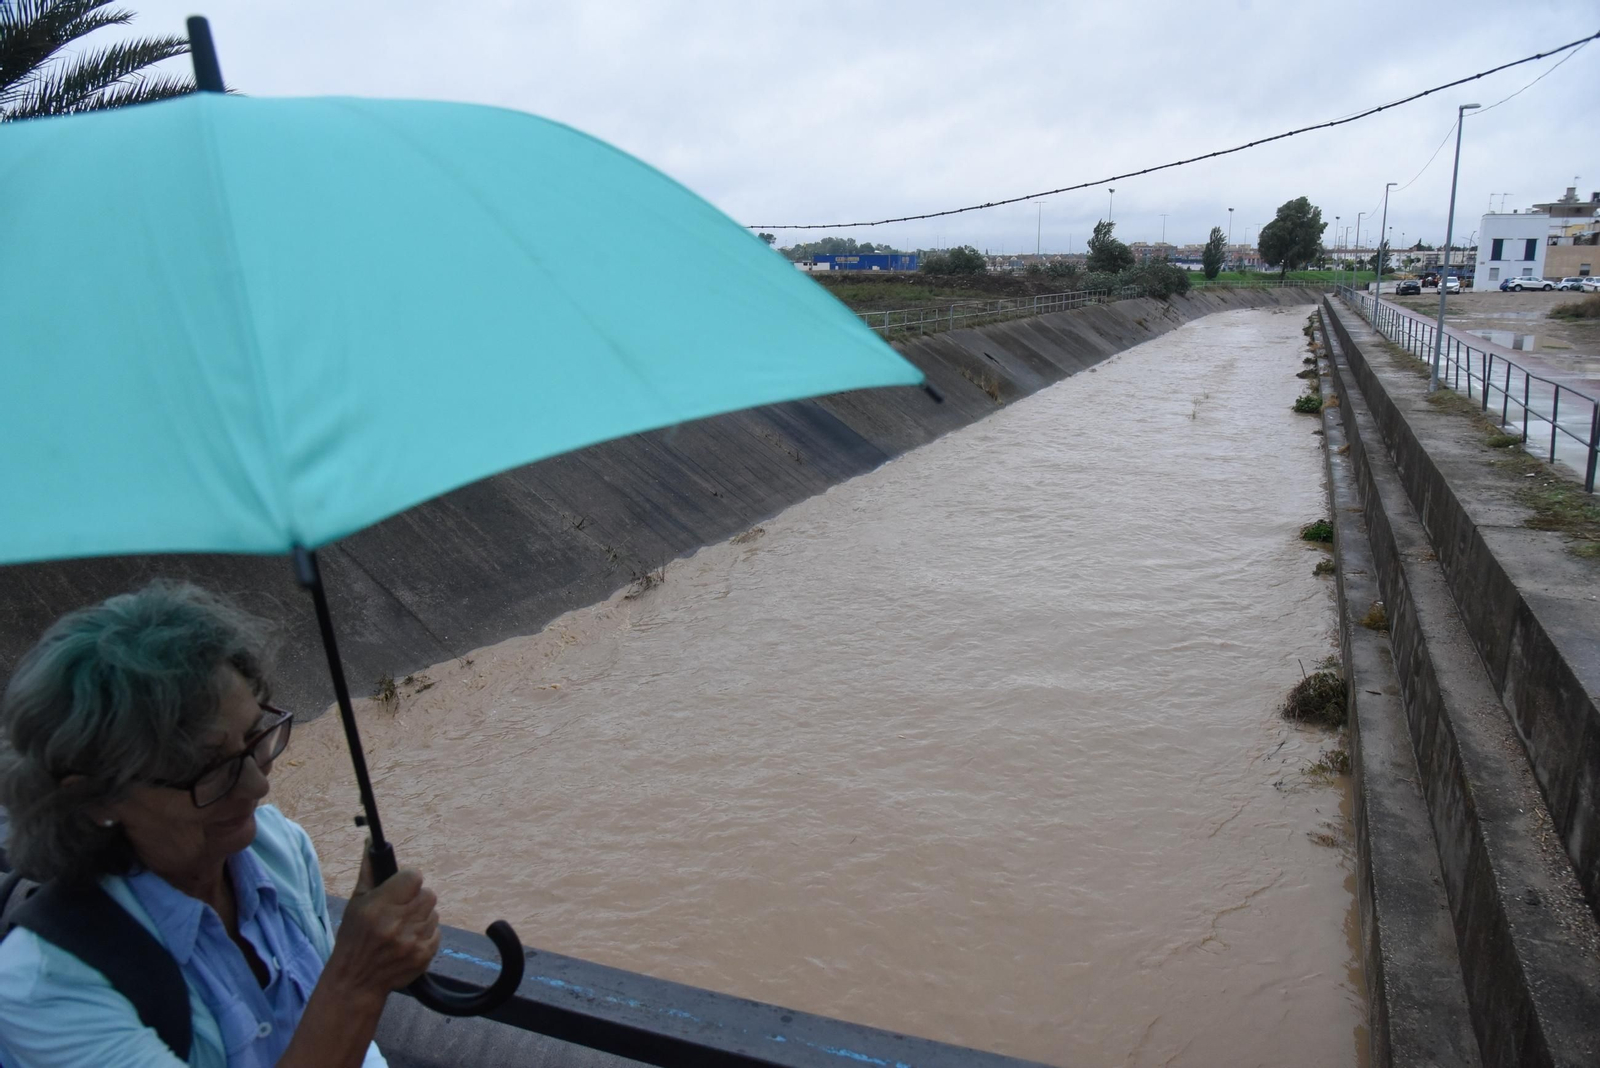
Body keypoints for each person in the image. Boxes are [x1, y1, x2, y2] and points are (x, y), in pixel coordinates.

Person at [0, 582, 440, 1067]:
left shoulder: (278, 848)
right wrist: (356, 980)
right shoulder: (46, 987)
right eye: (208, 768)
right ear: (93, 797)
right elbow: (340, 1003)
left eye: (255, 738)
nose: (256, 787)